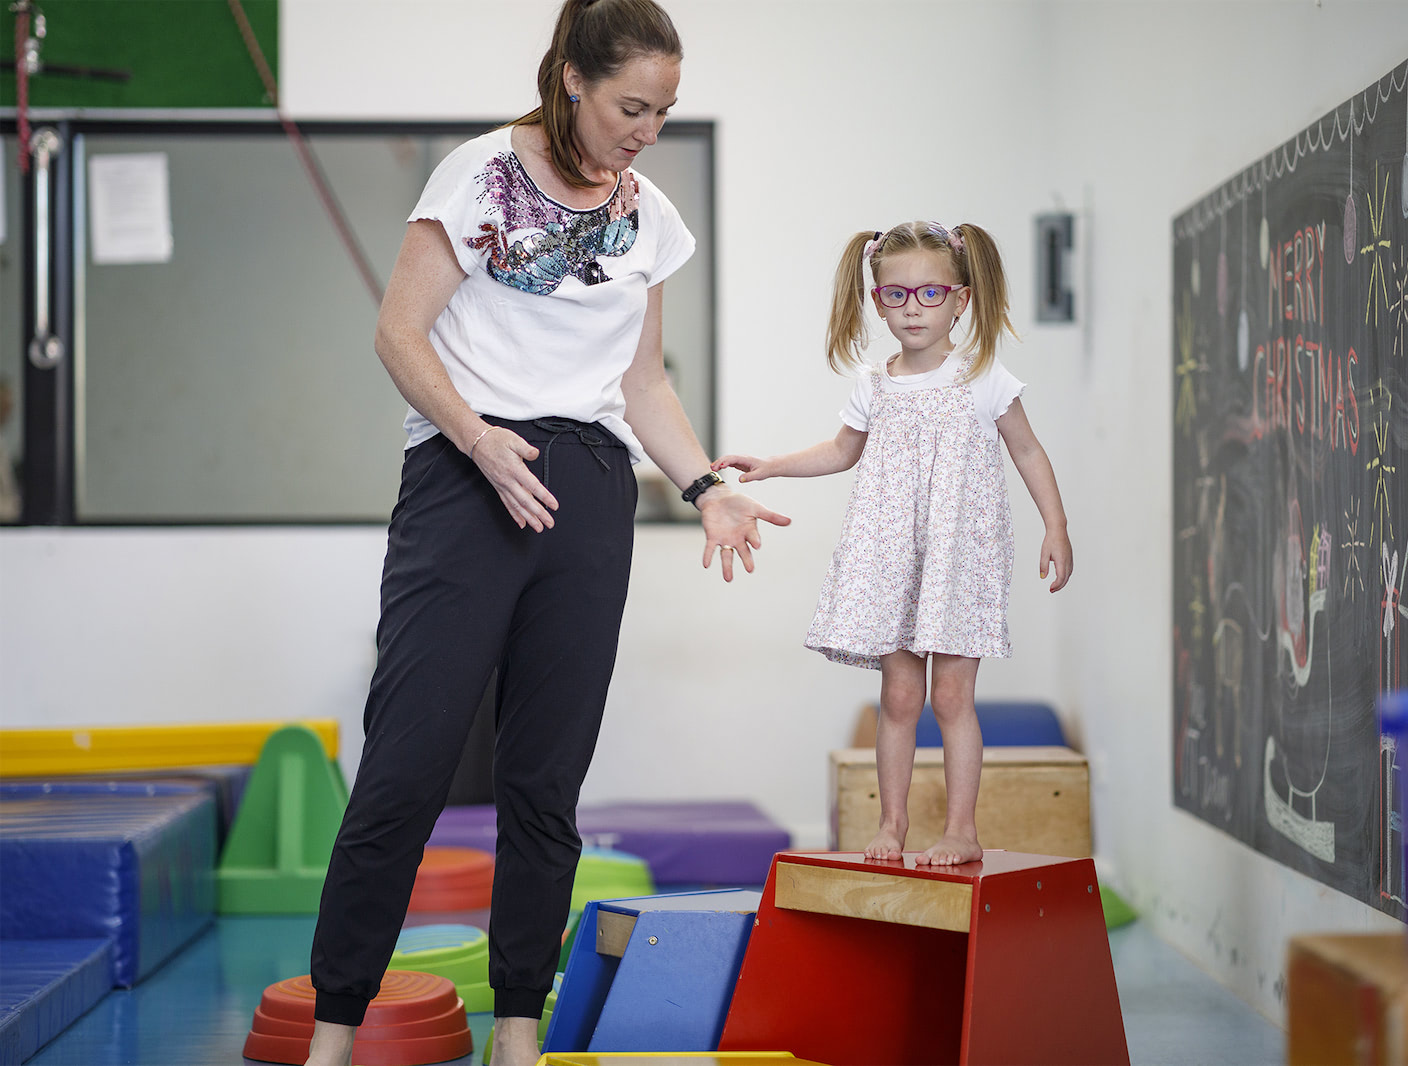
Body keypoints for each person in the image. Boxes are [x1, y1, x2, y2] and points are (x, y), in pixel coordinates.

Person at [302, 3, 788, 1064]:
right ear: (571, 78)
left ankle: (517, 1025)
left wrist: (704, 483)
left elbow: (642, 380)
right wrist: (476, 440)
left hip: (590, 486)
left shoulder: (648, 213)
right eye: (630, 106)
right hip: (467, 476)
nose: (646, 129)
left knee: (545, 779)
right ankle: (333, 1030)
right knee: (408, 765)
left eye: (663, 111)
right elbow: (397, 329)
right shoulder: (478, 173)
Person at [713, 221, 1072, 867]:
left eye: (931, 294)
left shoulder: (984, 374)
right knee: (900, 697)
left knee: (952, 697)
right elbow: (841, 451)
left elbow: (1027, 449)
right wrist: (773, 465)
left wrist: (1057, 525)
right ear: (877, 301)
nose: (913, 308)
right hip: (891, 555)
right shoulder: (874, 383)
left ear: (961, 298)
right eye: (897, 295)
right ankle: (892, 824)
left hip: (959, 554)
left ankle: (962, 829)